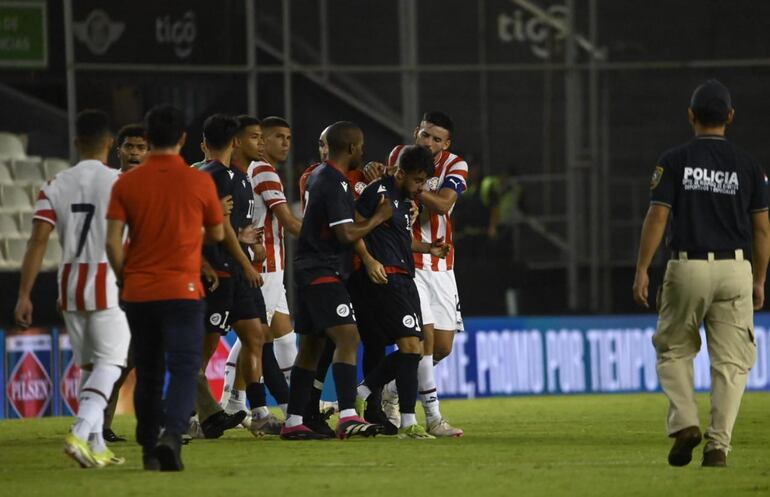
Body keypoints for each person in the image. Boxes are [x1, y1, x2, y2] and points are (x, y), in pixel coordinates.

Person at [632, 79, 770, 468]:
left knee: (674, 349)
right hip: (735, 267)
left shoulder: (674, 160)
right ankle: (718, 446)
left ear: (691, 116)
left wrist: (643, 269)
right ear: (730, 116)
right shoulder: (750, 166)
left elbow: (658, 216)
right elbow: (762, 229)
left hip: (688, 264)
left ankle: (686, 422)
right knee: (731, 363)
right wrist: (759, 279)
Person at [105, 104, 225, 471]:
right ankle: (172, 436)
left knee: (149, 370)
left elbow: (112, 242)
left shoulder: (127, 182)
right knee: (185, 366)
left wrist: (126, 277)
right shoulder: (199, 181)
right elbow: (218, 233)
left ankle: (146, 448)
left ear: (148, 138)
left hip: (139, 292)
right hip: (183, 290)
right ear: (183, 139)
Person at [14, 110, 130, 468]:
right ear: (110, 143)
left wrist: (24, 294)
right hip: (106, 278)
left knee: (88, 364)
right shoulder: (120, 182)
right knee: (113, 361)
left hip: (69, 281)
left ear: (76, 142)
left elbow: (37, 241)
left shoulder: (54, 183)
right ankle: (80, 432)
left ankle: (95, 444)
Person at [280, 121, 391, 440]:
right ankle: (347, 415)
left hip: (310, 268)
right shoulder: (332, 180)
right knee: (348, 337)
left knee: (312, 346)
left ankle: (294, 421)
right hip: (321, 270)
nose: (363, 152)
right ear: (353, 148)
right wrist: (377, 218)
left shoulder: (322, 177)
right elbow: (345, 233)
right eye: (361, 146)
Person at [366, 111, 467, 437]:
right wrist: (392, 177)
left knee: (442, 347)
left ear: (446, 143)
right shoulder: (399, 155)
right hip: (408, 261)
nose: (429, 142)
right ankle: (432, 418)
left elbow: (442, 205)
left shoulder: (455, 166)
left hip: (440, 264)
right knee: (422, 341)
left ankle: (391, 391)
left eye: (437, 139)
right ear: (416, 133)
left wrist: (408, 180)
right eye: (425, 135)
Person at [353, 145, 449, 439]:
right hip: (386, 278)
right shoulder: (377, 192)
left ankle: (364, 390)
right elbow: (354, 228)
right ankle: (408, 422)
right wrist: (369, 261)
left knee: (415, 349)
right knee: (410, 345)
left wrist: (429, 248)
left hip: (405, 277)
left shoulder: (407, 203)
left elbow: (402, 241)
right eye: (418, 181)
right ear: (401, 172)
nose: (421, 188)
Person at [197, 114, 281, 437]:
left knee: (257, 334)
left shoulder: (241, 178)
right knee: (205, 347)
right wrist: (245, 262)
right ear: (235, 141)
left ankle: (257, 411)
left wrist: (249, 244)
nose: (261, 143)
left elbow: (230, 227)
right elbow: (214, 227)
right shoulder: (214, 175)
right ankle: (193, 414)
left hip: (237, 268)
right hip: (219, 270)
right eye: (255, 137)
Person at [220, 115, 292, 428]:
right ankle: (231, 401)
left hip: (268, 263)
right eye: (277, 137)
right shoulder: (263, 172)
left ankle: (293, 406)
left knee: (285, 339)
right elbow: (288, 221)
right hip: (265, 267)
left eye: (288, 138)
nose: (284, 144)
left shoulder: (252, 171)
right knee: (254, 335)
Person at [102, 122, 148, 443]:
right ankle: (99, 425)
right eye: (129, 146)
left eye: (141, 147)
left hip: (146, 281)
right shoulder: (108, 184)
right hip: (116, 281)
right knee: (117, 358)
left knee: (134, 359)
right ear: (119, 150)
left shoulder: (153, 185)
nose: (134, 153)